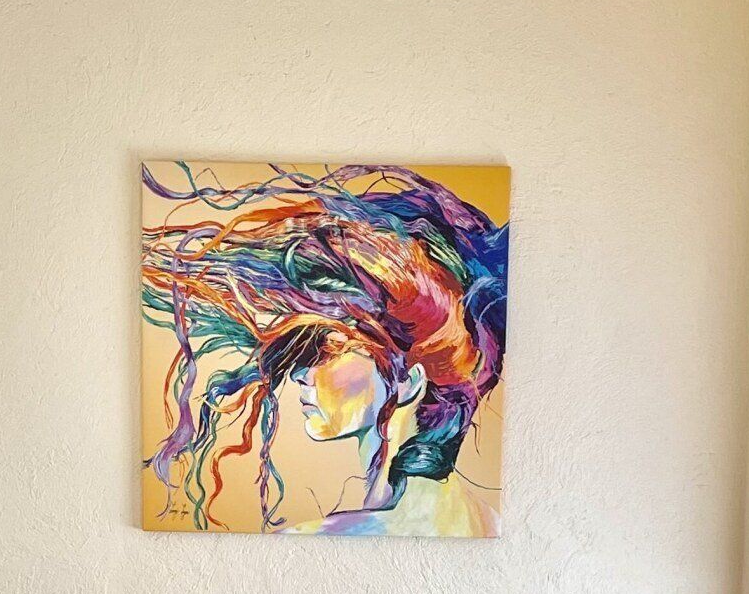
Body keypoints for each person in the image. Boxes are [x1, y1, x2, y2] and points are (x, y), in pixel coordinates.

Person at [143, 163, 507, 535]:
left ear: (407, 382)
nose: (300, 373)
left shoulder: (319, 539)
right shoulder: (491, 526)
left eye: (326, 351)